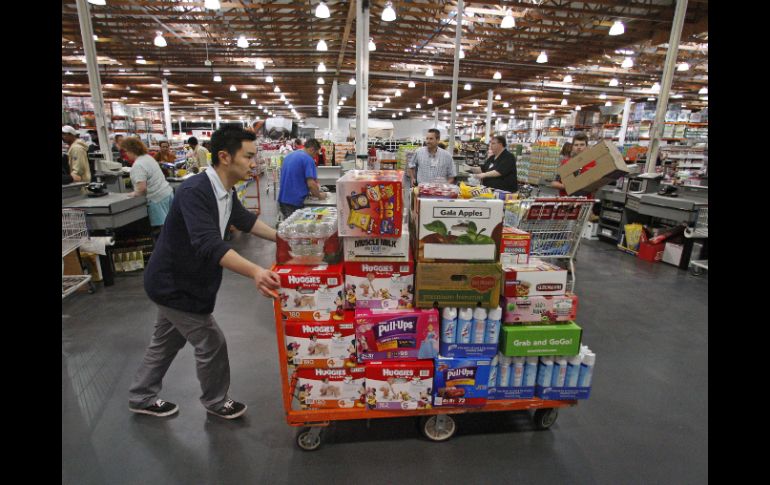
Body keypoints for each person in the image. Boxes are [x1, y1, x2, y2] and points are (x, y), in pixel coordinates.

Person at [128, 126, 280, 420]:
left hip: (186, 281)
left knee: (167, 340)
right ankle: (215, 400)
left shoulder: (224, 190)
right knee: (211, 341)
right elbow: (208, 244)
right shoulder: (196, 190)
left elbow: (244, 220)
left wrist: (284, 239)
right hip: (174, 285)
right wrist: (256, 272)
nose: (253, 163)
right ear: (224, 156)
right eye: (248, 157)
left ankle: (141, 395)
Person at [121, 137, 175, 236]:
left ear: (132, 150)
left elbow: (141, 188)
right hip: (167, 193)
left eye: (126, 151)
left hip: (157, 200)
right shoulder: (148, 158)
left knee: (162, 233)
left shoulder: (138, 165)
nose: (126, 154)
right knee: (171, 227)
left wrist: (134, 193)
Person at [277, 138, 326, 219]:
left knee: (289, 226)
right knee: (296, 229)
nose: (315, 156)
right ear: (312, 149)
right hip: (294, 202)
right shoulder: (308, 159)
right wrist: (320, 196)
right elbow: (311, 184)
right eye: (316, 154)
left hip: (283, 200)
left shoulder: (289, 156)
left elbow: (294, 177)